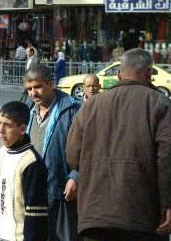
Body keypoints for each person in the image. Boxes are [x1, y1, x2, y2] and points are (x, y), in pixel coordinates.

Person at [67, 48, 171, 241]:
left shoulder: (91, 105)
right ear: (149, 73)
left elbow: (73, 155)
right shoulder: (160, 103)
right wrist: (167, 204)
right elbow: (166, 159)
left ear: (118, 73)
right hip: (141, 215)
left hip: (95, 214)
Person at [23, 65, 81, 241]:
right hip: (33, 193)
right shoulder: (29, 112)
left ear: (51, 84)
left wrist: (76, 176)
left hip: (62, 191)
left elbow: (87, 147)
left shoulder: (73, 110)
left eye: (38, 87)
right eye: (29, 89)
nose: (33, 93)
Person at [0, 101, 48, 241]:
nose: (0, 130)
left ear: (22, 129)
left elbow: (36, 213)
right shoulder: (3, 153)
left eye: (7, 125)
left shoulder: (31, 162)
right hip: (3, 236)